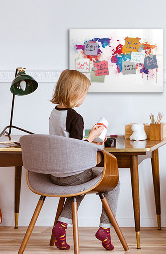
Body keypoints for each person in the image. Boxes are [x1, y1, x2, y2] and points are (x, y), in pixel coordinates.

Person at [49, 69, 119, 251]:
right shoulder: (75, 117)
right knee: (114, 182)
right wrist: (93, 137)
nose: (85, 97)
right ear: (75, 93)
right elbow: (76, 149)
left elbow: (66, 142)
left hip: (55, 174)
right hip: (72, 174)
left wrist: (88, 137)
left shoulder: (54, 113)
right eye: (85, 93)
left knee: (80, 186)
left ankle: (61, 226)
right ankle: (105, 228)